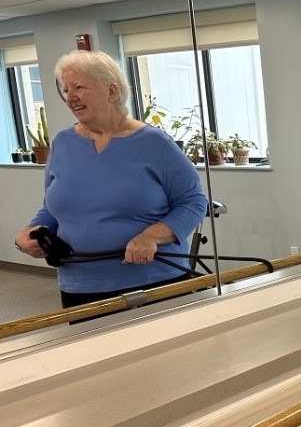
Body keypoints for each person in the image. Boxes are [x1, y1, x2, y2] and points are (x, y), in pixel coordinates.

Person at [14, 50, 208, 309]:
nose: (70, 97)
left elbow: (193, 201)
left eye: (79, 87)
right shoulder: (62, 143)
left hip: (155, 280)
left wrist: (150, 237)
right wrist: (32, 232)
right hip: (80, 286)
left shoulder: (154, 143)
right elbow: (52, 206)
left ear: (112, 92)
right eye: (65, 89)